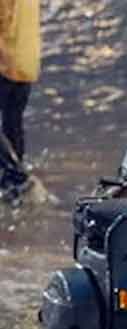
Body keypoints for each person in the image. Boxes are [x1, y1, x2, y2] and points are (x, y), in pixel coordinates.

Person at [0, 0, 39, 196]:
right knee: (13, 122)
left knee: (11, 123)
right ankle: (14, 186)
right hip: (27, 61)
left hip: (6, 62)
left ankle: (16, 176)